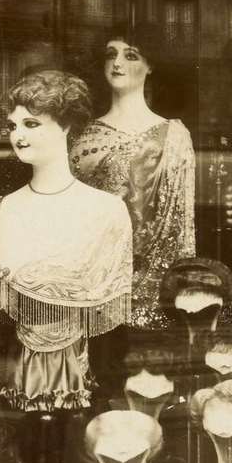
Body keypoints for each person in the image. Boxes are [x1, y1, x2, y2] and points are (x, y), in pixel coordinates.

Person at [0, 69, 133, 414]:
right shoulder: (3, 211)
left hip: (88, 384)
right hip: (20, 382)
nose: (18, 135)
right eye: (13, 126)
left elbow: (110, 317)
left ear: (65, 127)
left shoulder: (106, 210)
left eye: (31, 124)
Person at [70, 23, 195, 328]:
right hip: (91, 280)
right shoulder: (82, 134)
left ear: (150, 66)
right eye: (111, 55)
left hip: (154, 284)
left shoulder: (174, 136)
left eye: (131, 56)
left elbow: (183, 223)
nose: (118, 63)